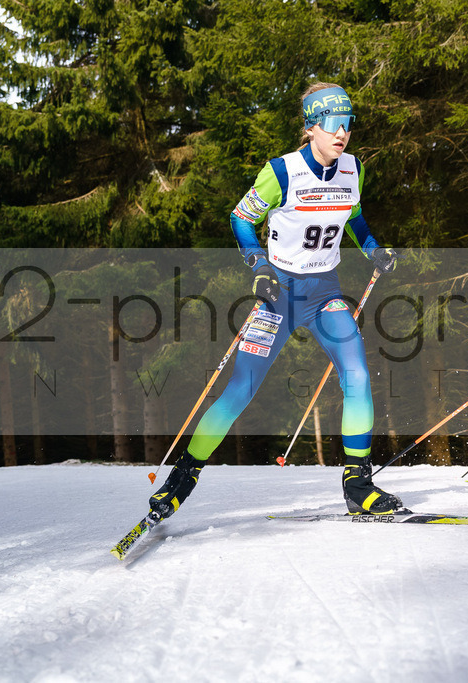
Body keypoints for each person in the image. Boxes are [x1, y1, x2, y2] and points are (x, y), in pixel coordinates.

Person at [149, 82, 403, 517]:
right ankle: (180, 481)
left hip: (325, 294)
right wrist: (259, 267)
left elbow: (355, 217)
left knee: (358, 376)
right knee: (240, 389)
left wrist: (373, 249)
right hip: (280, 296)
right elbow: (240, 219)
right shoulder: (282, 171)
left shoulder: (354, 169)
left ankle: (358, 486)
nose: (341, 133)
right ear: (311, 126)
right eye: (332, 123)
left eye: (347, 123)